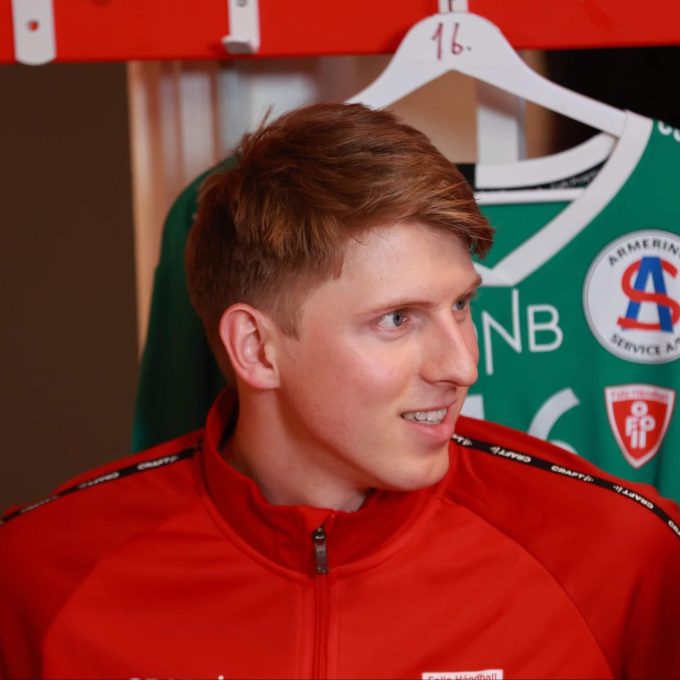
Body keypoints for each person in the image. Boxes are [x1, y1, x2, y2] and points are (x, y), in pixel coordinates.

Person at [1, 103, 679, 680]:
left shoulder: (623, 554)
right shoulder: (38, 576)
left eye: (461, 307)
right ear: (255, 348)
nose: (463, 366)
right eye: (398, 319)